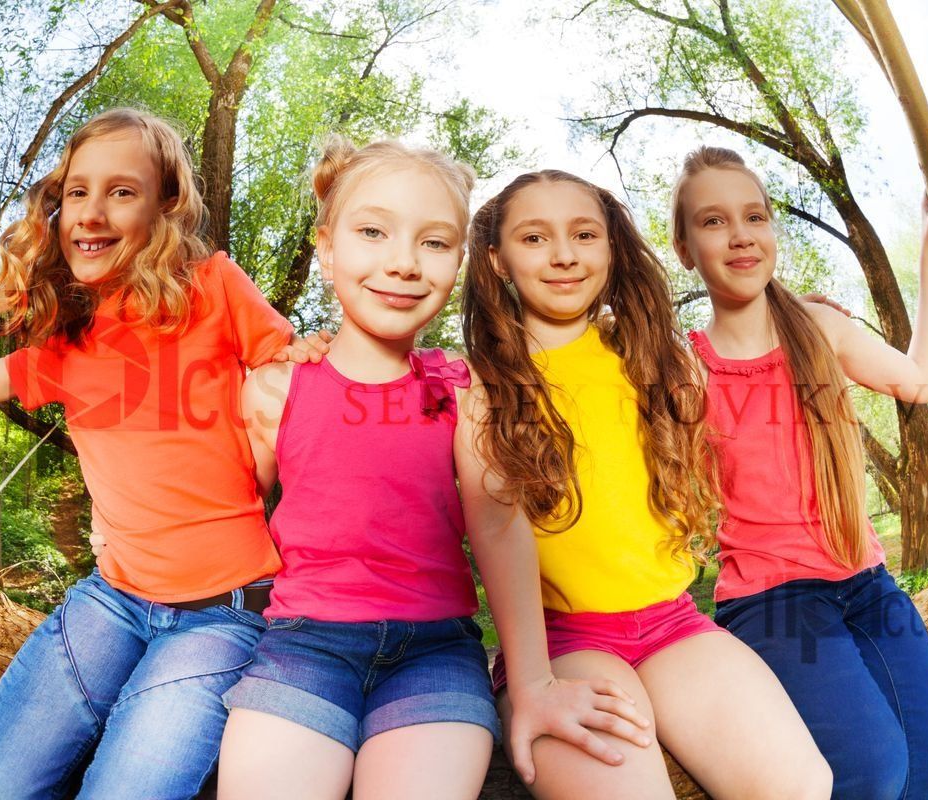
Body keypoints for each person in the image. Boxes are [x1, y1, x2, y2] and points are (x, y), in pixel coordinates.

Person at [0, 107, 327, 800]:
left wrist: (323, 355)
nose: (92, 211)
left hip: (225, 610)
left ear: (165, 206)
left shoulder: (214, 285)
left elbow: (292, 373)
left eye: (122, 191)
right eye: (77, 192)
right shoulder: (69, 345)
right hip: (112, 599)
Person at [215, 139, 650, 800]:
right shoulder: (278, 389)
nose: (403, 264)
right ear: (328, 249)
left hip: (435, 656)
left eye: (434, 243)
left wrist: (532, 683)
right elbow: (232, 521)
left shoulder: (462, 390)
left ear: (460, 262)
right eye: (373, 233)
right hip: (302, 648)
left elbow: (499, 528)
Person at [461, 168, 832, 799]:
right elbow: (496, 529)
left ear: (611, 248)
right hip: (566, 640)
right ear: (496, 258)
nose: (563, 255)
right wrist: (532, 688)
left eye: (584, 234)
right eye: (534, 238)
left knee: (803, 785)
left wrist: (818, 319)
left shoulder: (655, 362)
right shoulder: (479, 388)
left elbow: (756, 360)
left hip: (674, 624)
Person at [673, 145, 928, 800]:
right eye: (713, 222)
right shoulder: (685, 366)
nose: (741, 234)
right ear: (684, 247)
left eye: (755, 215)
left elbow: (916, 382)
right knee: (871, 771)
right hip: (775, 602)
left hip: (868, 583)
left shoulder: (821, 328)